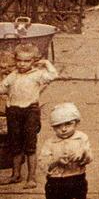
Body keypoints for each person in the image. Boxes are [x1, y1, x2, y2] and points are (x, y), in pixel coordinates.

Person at [2, 45, 58, 184]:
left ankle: (31, 177)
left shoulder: (37, 75)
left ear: (34, 61)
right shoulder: (13, 75)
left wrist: (46, 63)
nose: (22, 64)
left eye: (27, 61)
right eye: (19, 60)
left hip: (30, 111)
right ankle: (15, 175)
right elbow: (2, 87)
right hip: (13, 111)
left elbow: (53, 75)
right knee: (15, 143)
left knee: (30, 145)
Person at [38, 102, 90, 199]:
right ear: (53, 127)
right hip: (55, 182)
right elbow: (42, 163)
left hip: (76, 178)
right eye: (58, 126)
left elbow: (89, 157)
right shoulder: (50, 143)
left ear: (77, 122)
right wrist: (56, 161)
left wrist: (82, 154)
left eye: (68, 124)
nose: (63, 129)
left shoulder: (81, 138)